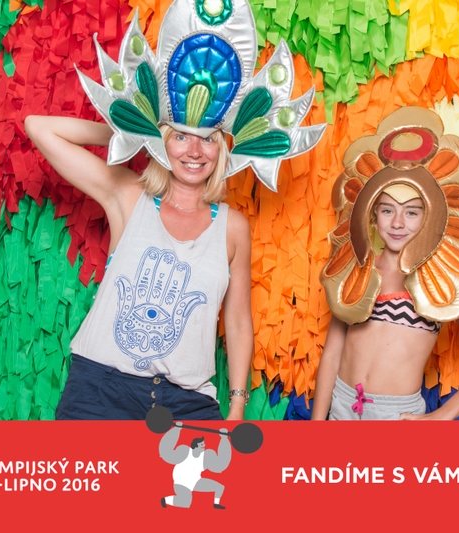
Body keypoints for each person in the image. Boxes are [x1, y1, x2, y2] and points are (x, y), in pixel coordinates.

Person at [26, 0, 324, 420]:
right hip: (100, 392)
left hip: (187, 402)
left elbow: (238, 322)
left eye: (208, 138)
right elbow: (40, 128)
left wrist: (237, 407)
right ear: (163, 139)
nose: (194, 150)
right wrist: (131, 134)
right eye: (180, 136)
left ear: (222, 148)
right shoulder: (128, 196)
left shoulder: (232, 228)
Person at [313, 107, 459, 420]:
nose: (397, 222)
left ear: (428, 217)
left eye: (412, 212)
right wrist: (317, 424)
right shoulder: (356, 268)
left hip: (396, 417)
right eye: (387, 210)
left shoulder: (443, 279)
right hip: (341, 405)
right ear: (373, 215)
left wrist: (441, 417)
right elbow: (332, 353)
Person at [159, 423, 232, 510]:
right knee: (185, 503)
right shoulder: (185, 452)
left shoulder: (205, 457)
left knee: (219, 487)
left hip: (195, 481)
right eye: (202, 444)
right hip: (182, 481)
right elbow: (167, 452)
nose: (204, 446)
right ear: (196, 445)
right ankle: (165, 500)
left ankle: (216, 504)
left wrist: (224, 438)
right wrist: (176, 430)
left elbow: (221, 464)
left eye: (204, 444)